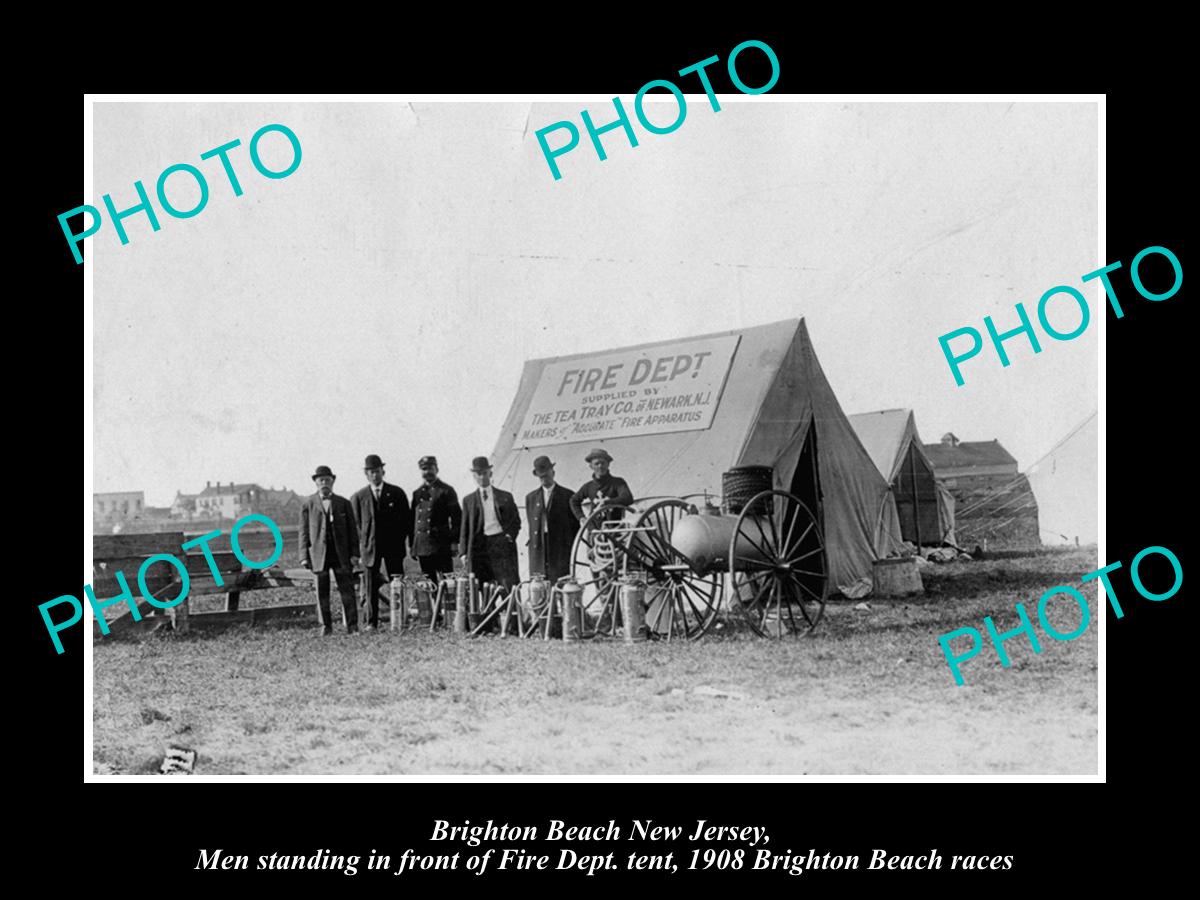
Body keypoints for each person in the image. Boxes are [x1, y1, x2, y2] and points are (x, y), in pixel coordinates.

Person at [350, 454, 412, 632]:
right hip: (370, 549)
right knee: (370, 586)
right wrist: (360, 549)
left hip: (393, 547)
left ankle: (400, 619)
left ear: (383, 471)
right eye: (371, 472)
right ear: (366, 474)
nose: (375, 475)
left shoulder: (397, 493)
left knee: (397, 583)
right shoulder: (358, 497)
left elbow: (406, 521)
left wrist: (400, 540)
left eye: (377, 471)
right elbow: (355, 527)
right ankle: (371, 622)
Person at [299, 465, 360, 636]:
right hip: (319, 555)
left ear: (333, 481)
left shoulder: (344, 503)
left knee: (347, 590)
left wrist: (355, 554)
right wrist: (304, 556)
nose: (324, 483)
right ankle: (325, 626)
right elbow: (303, 532)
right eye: (321, 480)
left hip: (341, 555)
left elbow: (353, 531)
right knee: (322, 592)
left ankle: (352, 626)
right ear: (316, 483)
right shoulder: (308, 504)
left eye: (327, 479)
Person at [459, 456, 521, 590]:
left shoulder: (505, 497)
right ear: (474, 476)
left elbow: (515, 521)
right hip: (479, 546)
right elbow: (464, 528)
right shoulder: (468, 501)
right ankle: (488, 610)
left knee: (506, 583)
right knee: (483, 584)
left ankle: (509, 610)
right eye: (478, 474)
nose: (482, 477)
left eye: (484, 473)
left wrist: (509, 536)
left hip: (500, 544)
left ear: (490, 473)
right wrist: (463, 552)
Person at [525, 455, 578, 583]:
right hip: (539, 547)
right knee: (540, 584)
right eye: (541, 476)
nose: (544, 478)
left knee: (560, 582)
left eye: (546, 474)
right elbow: (531, 522)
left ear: (553, 473)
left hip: (560, 548)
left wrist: (567, 543)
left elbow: (575, 525)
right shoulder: (531, 498)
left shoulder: (567, 495)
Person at [411, 456, 461, 582]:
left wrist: (454, 542)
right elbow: (413, 520)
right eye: (424, 469)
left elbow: (457, 518)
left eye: (430, 468)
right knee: (429, 585)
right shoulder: (417, 493)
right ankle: (433, 602)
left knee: (448, 583)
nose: (427, 472)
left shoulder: (446, 491)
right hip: (423, 546)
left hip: (441, 545)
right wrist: (413, 545)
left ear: (437, 469)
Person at [569, 448, 634, 523]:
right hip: (594, 529)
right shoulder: (588, 486)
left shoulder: (618, 482)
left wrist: (608, 502)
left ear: (608, 464)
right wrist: (581, 518)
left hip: (616, 528)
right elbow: (573, 500)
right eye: (596, 464)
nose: (600, 466)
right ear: (591, 466)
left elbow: (628, 498)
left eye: (603, 463)